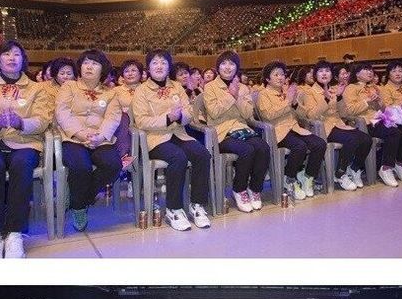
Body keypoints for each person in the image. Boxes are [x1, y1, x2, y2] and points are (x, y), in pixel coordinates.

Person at [0, 40, 53, 258]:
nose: (12, 58)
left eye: (16, 54)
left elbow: (42, 120)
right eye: (6, 54)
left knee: (22, 164)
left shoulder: (37, 88)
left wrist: (21, 122)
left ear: (23, 60)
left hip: (24, 142)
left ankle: (15, 233)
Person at [132, 50, 212, 231]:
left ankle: (197, 204)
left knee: (202, 154)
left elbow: (189, 111)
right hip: (156, 139)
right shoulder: (141, 91)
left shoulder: (176, 86)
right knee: (178, 158)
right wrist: (168, 118)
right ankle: (173, 209)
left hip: (179, 133)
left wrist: (181, 116)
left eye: (163, 63)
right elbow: (141, 120)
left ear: (169, 67)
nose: (159, 66)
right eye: (155, 63)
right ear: (148, 68)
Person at [55, 49, 124, 231]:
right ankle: (79, 209)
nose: (89, 67)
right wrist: (79, 133)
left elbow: (113, 118)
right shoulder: (69, 87)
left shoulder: (111, 93)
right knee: (81, 166)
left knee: (113, 165)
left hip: (100, 139)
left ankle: (80, 199)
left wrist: (100, 136)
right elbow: (62, 112)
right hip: (73, 138)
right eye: (86, 62)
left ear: (103, 69)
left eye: (94, 63)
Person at [203, 51, 270, 212]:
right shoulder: (210, 87)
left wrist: (237, 95)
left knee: (263, 148)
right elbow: (214, 112)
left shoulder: (243, 88)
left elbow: (247, 114)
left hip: (241, 128)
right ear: (218, 67)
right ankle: (239, 189)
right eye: (224, 63)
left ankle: (255, 189)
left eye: (231, 64)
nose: (227, 67)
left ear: (236, 67)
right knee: (247, 150)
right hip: (222, 132)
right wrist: (230, 96)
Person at [255, 61, 325, 201]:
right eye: (276, 75)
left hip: (294, 128)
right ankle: (289, 178)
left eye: (282, 74)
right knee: (300, 146)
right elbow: (268, 115)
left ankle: (307, 177)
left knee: (320, 144)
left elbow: (301, 116)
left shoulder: (286, 93)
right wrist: (287, 101)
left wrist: (295, 104)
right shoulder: (263, 94)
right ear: (267, 78)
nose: (280, 77)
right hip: (278, 131)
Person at [298, 60, 371, 191]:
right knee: (352, 139)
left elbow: (344, 114)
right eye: (320, 71)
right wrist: (326, 99)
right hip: (323, 128)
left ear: (331, 75)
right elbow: (311, 115)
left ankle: (354, 168)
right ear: (315, 75)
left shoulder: (334, 90)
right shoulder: (309, 92)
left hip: (339, 125)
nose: (324, 73)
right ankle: (340, 173)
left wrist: (340, 97)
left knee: (366, 139)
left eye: (327, 71)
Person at [342, 62, 402, 188]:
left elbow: (384, 109)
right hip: (365, 123)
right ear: (357, 74)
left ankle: (400, 164)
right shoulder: (351, 88)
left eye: (371, 70)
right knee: (394, 132)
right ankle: (386, 168)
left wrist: (379, 101)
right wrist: (367, 101)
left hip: (381, 120)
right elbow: (350, 111)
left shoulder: (374, 88)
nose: (370, 72)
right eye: (366, 69)